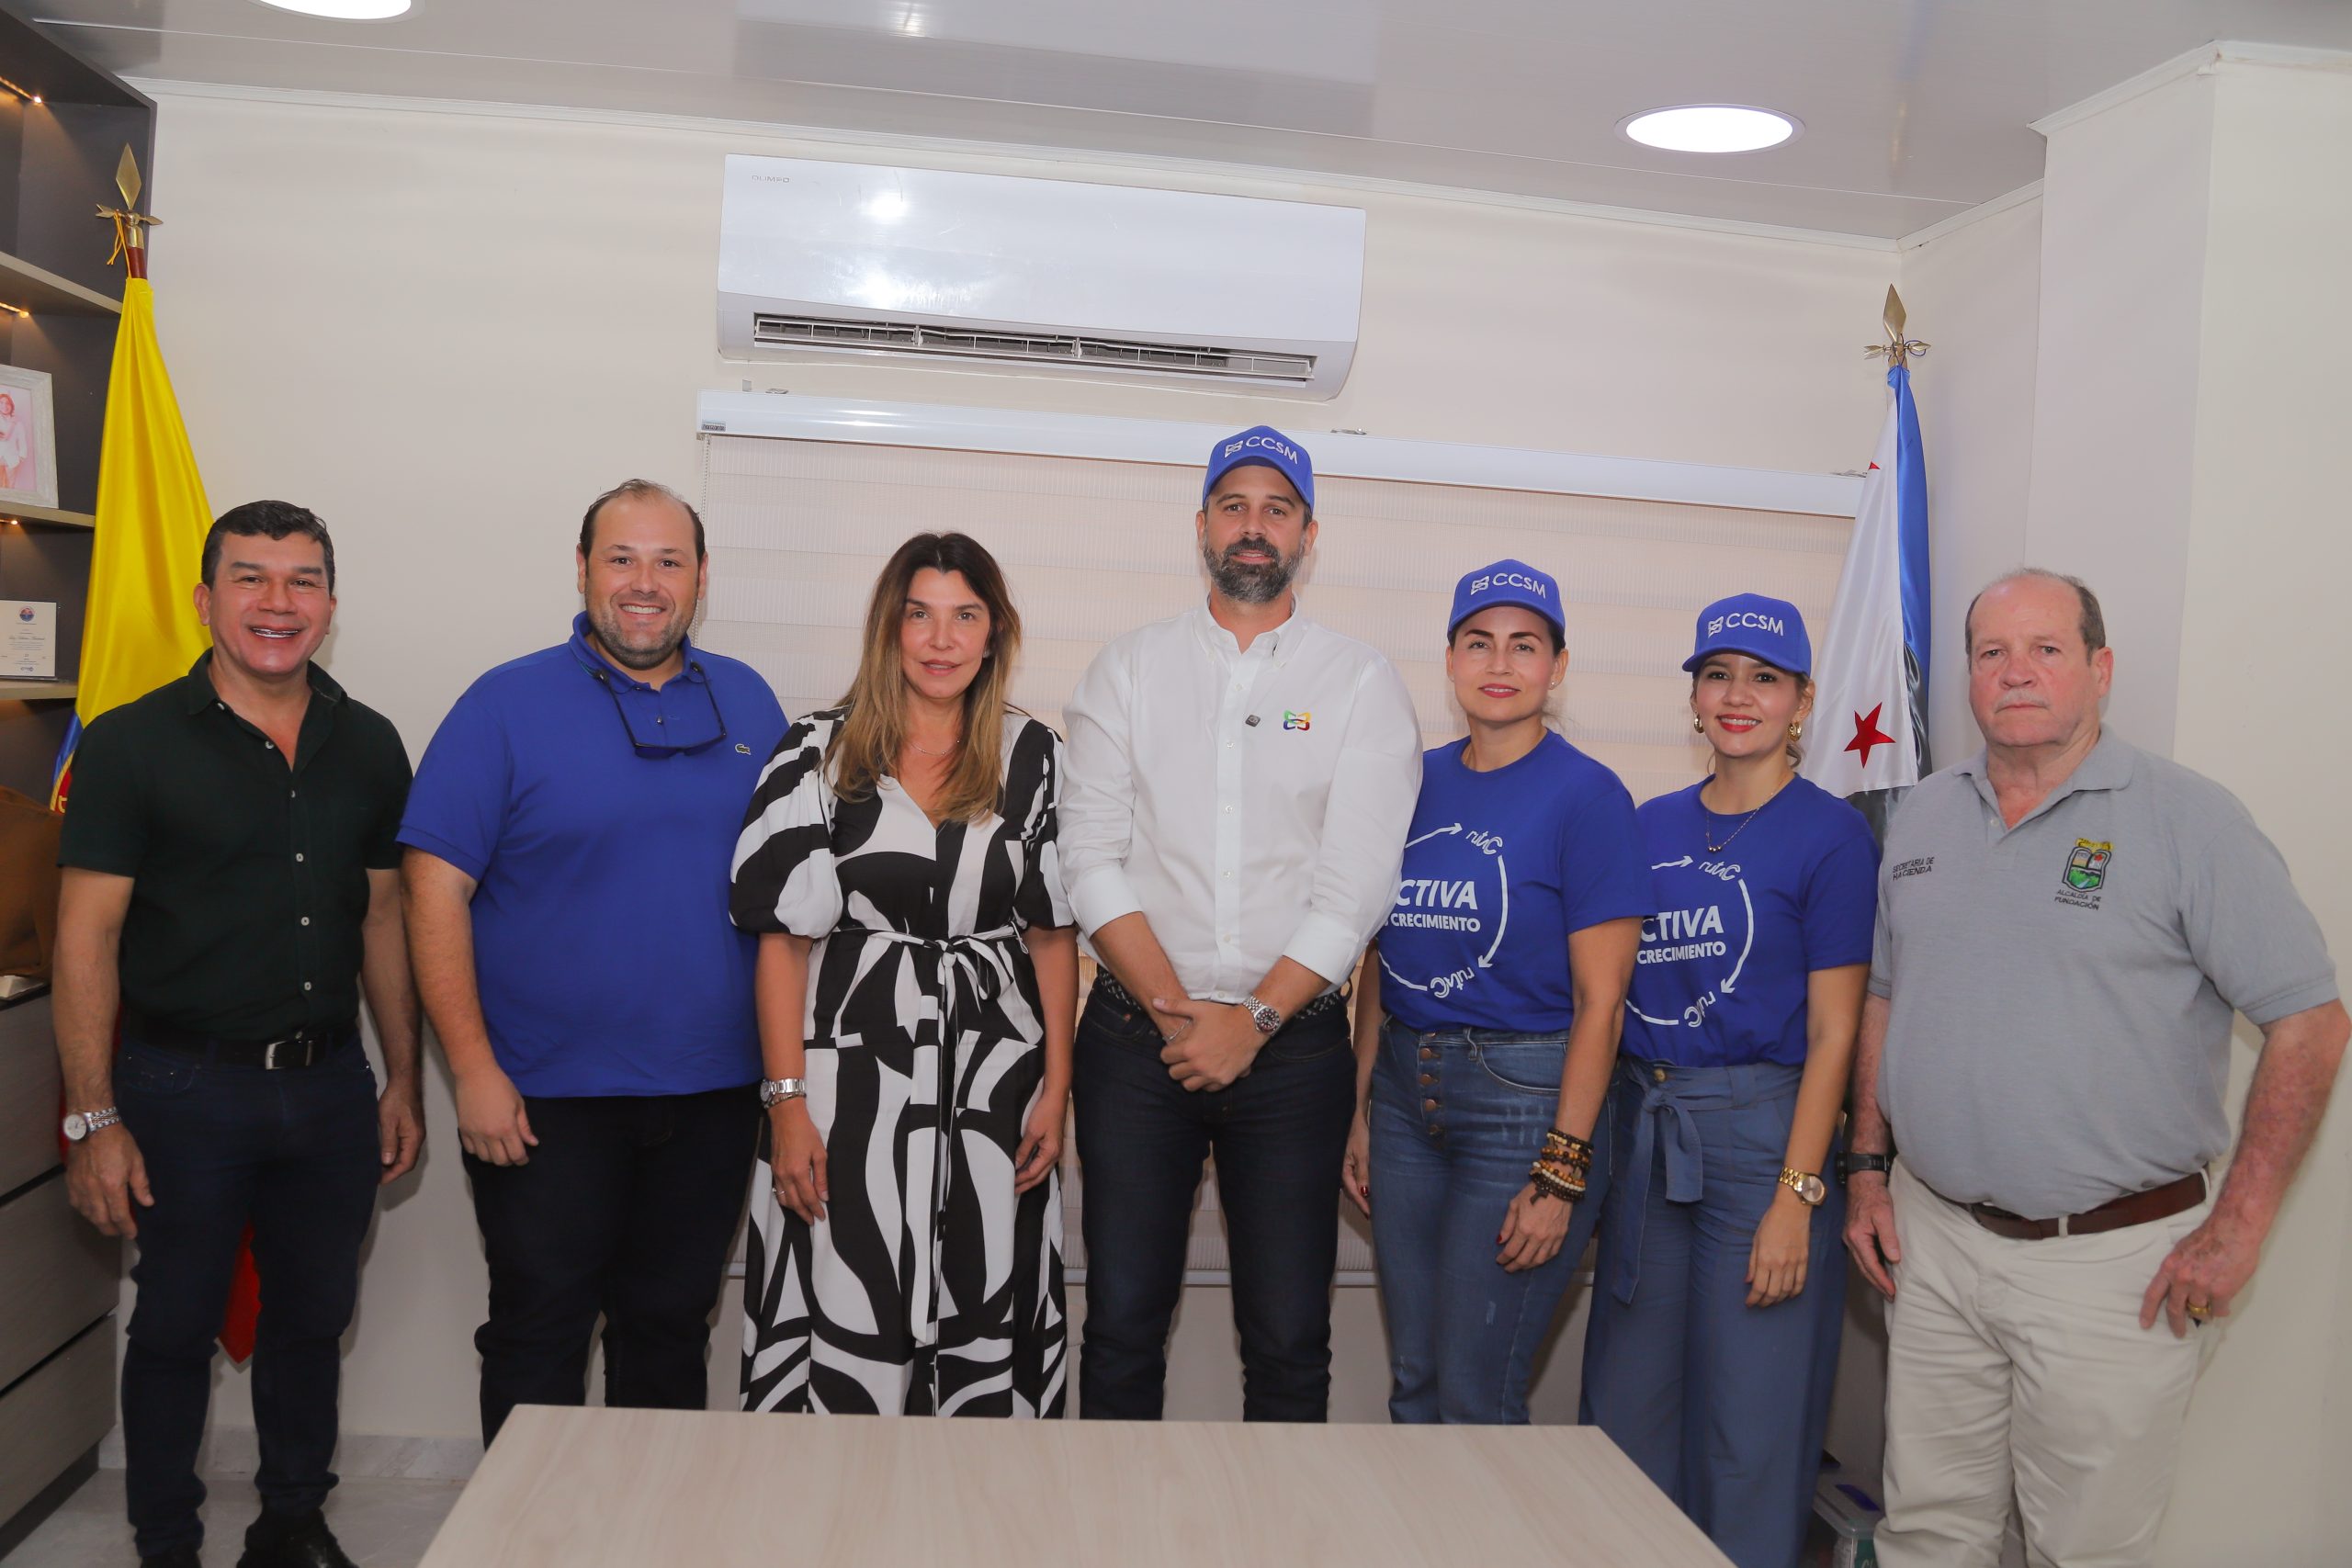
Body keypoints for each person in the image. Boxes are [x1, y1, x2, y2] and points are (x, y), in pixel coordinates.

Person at [1844, 570, 2345, 1568]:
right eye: (1992, 652)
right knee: (1925, 1531)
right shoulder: (1924, 816)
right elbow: (1888, 998)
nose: (2015, 672)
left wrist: (2239, 1228)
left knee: (2085, 1549)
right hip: (1934, 1240)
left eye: (2046, 649)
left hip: (2110, 1266)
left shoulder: (2189, 820)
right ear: (1968, 675)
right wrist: (1865, 1168)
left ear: (2099, 668)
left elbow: (2311, 1025)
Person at [53, 502, 421, 1568]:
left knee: (313, 1319)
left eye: (302, 580)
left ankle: (292, 1524)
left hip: (328, 1087)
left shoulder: (370, 743)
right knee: (174, 1325)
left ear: (330, 606)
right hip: (182, 1089)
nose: (276, 601)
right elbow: (86, 938)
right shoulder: (131, 743)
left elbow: (385, 916)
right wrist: (94, 1119)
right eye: (250, 578)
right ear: (205, 600)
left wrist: (403, 1076)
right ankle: (166, 1543)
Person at [401, 479, 786, 1445]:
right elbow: (431, 889)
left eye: (668, 561)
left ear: (701, 577)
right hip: (543, 1100)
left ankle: (650, 1523)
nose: (644, 583)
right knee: (540, 1334)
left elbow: (793, 893)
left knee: (669, 1333)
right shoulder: (503, 703)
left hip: (713, 1093)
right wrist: (472, 1070)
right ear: (582, 570)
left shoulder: (749, 699)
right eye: (621, 558)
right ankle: (528, 1527)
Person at [1060, 424, 1420, 1421]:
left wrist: (1251, 1022)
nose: (1253, 526)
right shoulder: (1128, 667)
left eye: (1276, 508)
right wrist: (1180, 1015)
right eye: (1234, 506)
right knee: (1121, 1323)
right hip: (1137, 1043)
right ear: (1202, 526)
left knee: (1289, 1337)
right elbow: (1087, 857)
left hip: (1294, 1052)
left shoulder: (1359, 682)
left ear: (1308, 533)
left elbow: (1356, 888)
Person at [729, 531, 1076, 1416]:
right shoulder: (817, 751)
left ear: (995, 633)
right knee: (850, 1291)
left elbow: (1051, 934)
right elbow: (781, 943)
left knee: (985, 1295)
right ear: (890, 627)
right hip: (848, 1092)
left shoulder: (1035, 755)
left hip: (998, 1087)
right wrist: (787, 1105)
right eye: (919, 615)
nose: (940, 639)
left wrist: (1058, 1090)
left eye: (965, 616)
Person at [1578, 593, 1876, 1568]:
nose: (1737, 695)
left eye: (1763, 678)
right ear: (1695, 696)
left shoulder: (1831, 835)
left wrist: (1797, 1195)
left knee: (1750, 1421)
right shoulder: (1647, 823)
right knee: (1627, 1409)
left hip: (1764, 1142)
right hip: (1648, 1128)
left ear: (1802, 700)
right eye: (1718, 675)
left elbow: (1835, 1032)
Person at [1344, 559, 1646, 1425]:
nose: (1500, 662)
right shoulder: (1412, 780)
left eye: (1525, 644)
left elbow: (1603, 1004)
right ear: (1449, 660)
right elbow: (1379, 957)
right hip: (1404, 1095)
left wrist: (1562, 1170)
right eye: (1479, 642)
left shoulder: (1589, 796)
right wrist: (1361, 1107)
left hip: (1526, 1101)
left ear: (1558, 665)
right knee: (1415, 1377)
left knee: (1476, 1391)